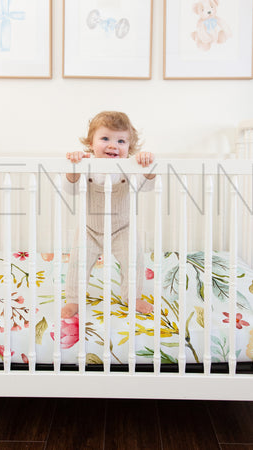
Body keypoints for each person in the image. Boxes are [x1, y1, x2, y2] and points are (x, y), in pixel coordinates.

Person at [61, 111, 155, 319]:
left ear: (129, 148)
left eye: (121, 141)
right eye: (105, 139)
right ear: (91, 143)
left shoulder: (130, 168)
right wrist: (74, 166)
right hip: (90, 229)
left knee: (134, 261)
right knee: (78, 262)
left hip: (123, 229)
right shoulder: (86, 165)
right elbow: (70, 188)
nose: (113, 145)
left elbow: (146, 185)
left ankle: (132, 296)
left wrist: (148, 167)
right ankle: (74, 299)